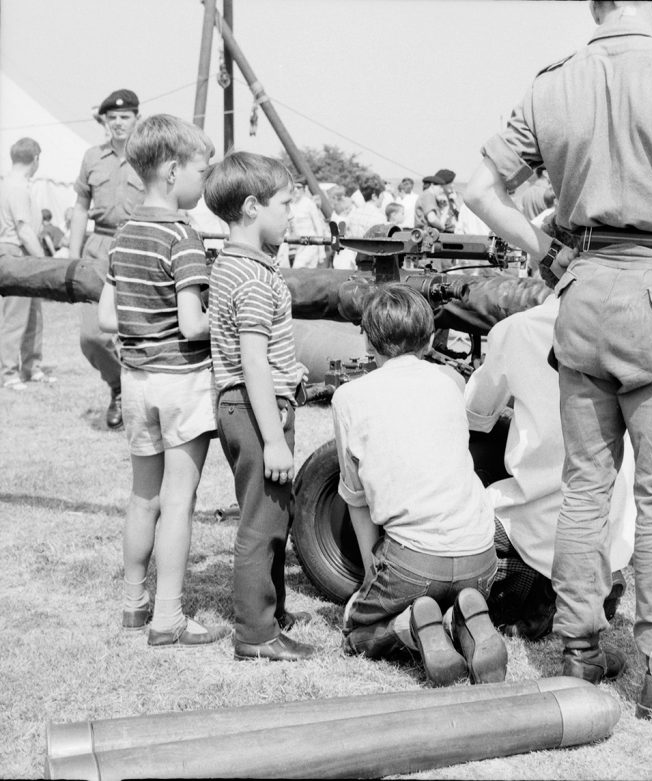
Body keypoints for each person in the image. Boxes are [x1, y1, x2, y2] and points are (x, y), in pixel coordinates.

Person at [466, 0, 652, 721]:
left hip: (584, 292)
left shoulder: (551, 83)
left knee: (584, 487)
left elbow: (477, 188)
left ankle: (579, 647)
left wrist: (547, 252)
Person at [96, 114, 230, 646]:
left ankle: (134, 603)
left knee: (142, 497)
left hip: (136, 383)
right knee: (180, 501)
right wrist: (223, 310)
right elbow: (193, 322)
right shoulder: (185, 236)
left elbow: (108, 316)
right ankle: (169, 615)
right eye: (203, 170)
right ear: (174, 171)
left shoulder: (124, 234)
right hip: (180, 381)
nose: (206, 181)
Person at [335, 284, 506, 686]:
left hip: (413, 562)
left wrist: (369, 569)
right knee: (453, 593)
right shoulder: (450, 380)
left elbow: (355, 495)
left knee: (353, 629)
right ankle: (464, 618)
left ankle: (410, 623)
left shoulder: (348, 397)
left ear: (368, 339)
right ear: (430, 339)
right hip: (479, 558)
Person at [465, 294, 636, 640]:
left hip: (537, 529)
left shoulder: (517, 329)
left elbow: (475, 416)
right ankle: (591, 586)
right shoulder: (633, 329)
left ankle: (540, 594)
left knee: (463, 524)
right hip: (611, 531)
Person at [204, 152, 316, 662]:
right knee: (263, 523)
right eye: (285, 203)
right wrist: (273, 437)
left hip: (244, 408)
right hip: (255, 412)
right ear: (252, 207)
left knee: (273, 513)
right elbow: (253, 362)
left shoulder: (233, 265)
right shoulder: (253, 278)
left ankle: (271, 614)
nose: (292, 213)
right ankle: (256, 633)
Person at [70, 89, 146, 429]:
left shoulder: (148, 157)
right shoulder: (91, 157)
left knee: (138, 332)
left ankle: (139, 399)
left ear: (136, 119)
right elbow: (81, 208)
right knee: (93, 336)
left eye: (124, 117)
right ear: (105, 121)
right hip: (98, 246)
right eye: (112, 117)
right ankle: (118, 388)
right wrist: (72, 258)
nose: (117, 123)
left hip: (137, 245)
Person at [0, 138, 50, 389]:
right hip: (18, 252)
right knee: (16, 316)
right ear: (36, 159)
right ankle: (9, 373)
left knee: (33, 314)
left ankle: (32, 366)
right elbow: (23, 228)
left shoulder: (7, 184)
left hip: (18, 251)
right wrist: (41, 260)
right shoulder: (17, 187)